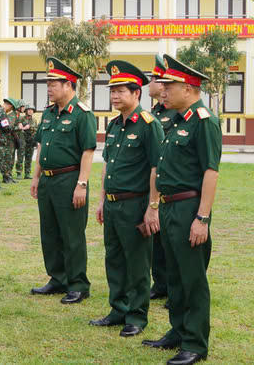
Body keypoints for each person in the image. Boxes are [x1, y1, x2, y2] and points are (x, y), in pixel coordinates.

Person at [142, 55, 221, 365]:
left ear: (188, 88)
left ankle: (196, 343)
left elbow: (210, 172)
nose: (163, 90)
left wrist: (202, 217)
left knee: (192, 277)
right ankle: (177, 331)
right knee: (173, 275)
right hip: (169, 206)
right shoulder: (176, 121)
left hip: (190, 206)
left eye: (169, 86)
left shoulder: (204, 121)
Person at [91, 61, 164, 337]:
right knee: (114, 258)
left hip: (136, 203)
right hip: (112, 203)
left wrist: (152, 207)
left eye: (121, 90)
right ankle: (118, 309)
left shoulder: (148, 125)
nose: (115, 96)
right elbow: (107, 165)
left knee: (137, 261)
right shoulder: (114, 126)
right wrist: (100, 200)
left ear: (137, 94)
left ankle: (136, 315)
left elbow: (157, 168)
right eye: (112, 91)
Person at [30, 57, 97, 305]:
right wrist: (36, 177)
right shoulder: (48, 114)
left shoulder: (82, 115)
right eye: (48, 83)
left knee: (72, 234)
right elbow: (41, 147)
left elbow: (88, 151)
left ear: (69, 85)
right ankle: (57, 278)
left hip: (69, 180)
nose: (49, 87)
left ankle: (78, 283)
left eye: (53, 83)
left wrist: (82, 184)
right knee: (49, 232)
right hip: (48, 181)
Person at [148, 54, 177, 301]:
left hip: (174, 186)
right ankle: (160, 284)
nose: (151, 84)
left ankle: (173, 287)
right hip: (155, 185)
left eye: (154, 79)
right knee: (156, 239)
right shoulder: (155, 111)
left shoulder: (176, 113)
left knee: (172, 241)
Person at [0, 98, 19, 186]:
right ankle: (5, 177)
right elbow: (8, 127)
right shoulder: (1, 113)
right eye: (5, 104)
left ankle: (8, 176)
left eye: (7, 104)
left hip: (9, 139)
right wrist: (18, 127)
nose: (5, 105)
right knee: (3, 159)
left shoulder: (11, 114)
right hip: (2, 139)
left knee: (9, 159)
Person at [20, 105, 38, 179]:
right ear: (26, 111)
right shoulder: (21, 119)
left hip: (31, 140)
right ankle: (19, 173)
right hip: (23, 139)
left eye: (32, 110)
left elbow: (36, 129)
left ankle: (27, 173)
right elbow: (19, 127)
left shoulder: (34, 120)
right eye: (29, 110)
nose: (30, 111)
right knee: (20, 156)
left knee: (29, 157)